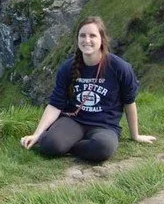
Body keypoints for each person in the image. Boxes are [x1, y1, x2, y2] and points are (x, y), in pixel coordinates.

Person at [20, 16, 155, 162]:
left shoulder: (120, 68)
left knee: (103, 148)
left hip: (105, 126)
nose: (87, 40)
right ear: (77, 39)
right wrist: (37, 134)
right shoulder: (67, 68)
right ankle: (60, 142)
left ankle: (70, 146)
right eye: (82, 35)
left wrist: (135, 135)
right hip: (73, 120)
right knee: (50, 145)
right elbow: (55, 104)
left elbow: (129, 102)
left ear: (102, 39)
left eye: (92, 35)